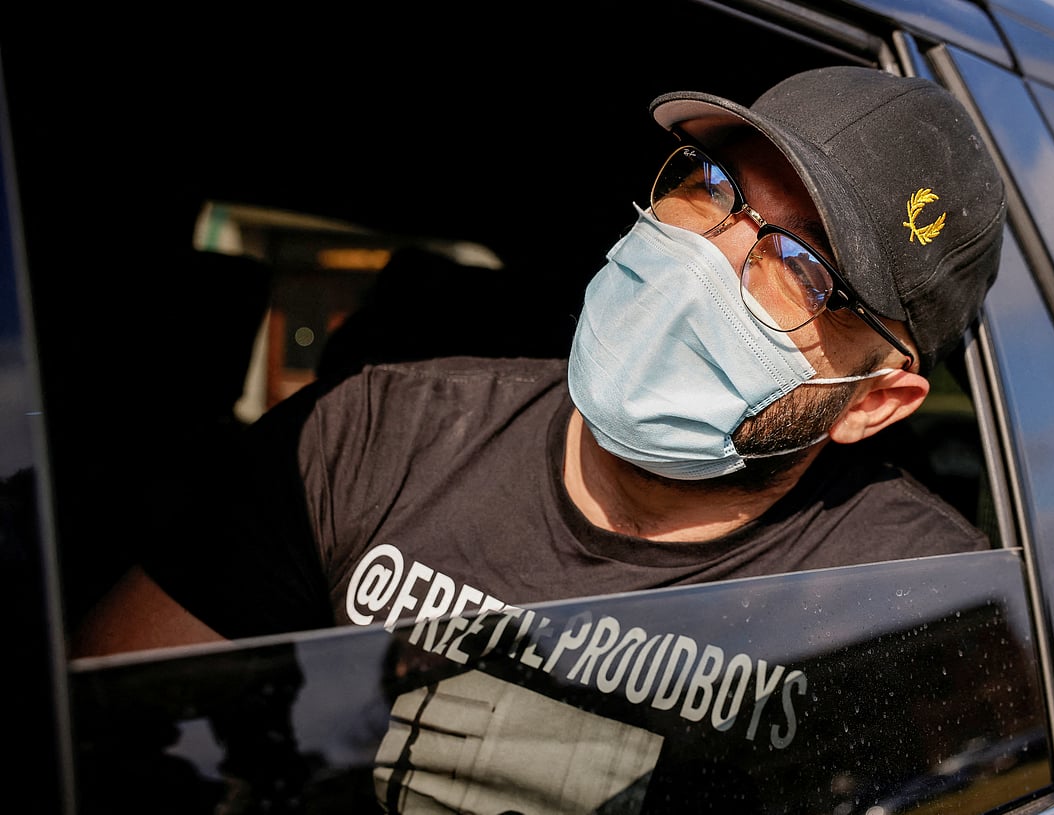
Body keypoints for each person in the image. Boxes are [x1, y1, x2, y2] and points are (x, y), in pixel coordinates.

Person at [71, 64, 1006, 658]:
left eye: (803, 267)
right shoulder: (368, 435)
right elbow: (117, 737)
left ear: (873, 401)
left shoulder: (919, 603)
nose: (710, 251)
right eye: (712, 183)